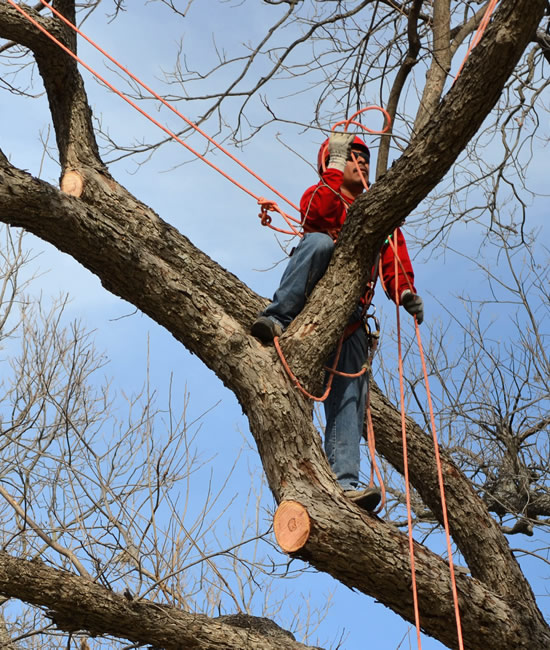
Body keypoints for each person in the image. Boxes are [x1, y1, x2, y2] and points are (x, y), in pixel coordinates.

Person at [251, 132, 423, 511]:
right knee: (318, 243)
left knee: (349, 399)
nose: (360, 163)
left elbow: (394, 257)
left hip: (352, 322)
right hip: (312, 304)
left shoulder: (381, 217)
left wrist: (406, 293)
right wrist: (332, 168)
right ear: (332, 164)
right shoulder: (321, 196)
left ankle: (346, 483)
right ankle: (276, 317)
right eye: (351, 157)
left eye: (364, 158)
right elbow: (315, 215)